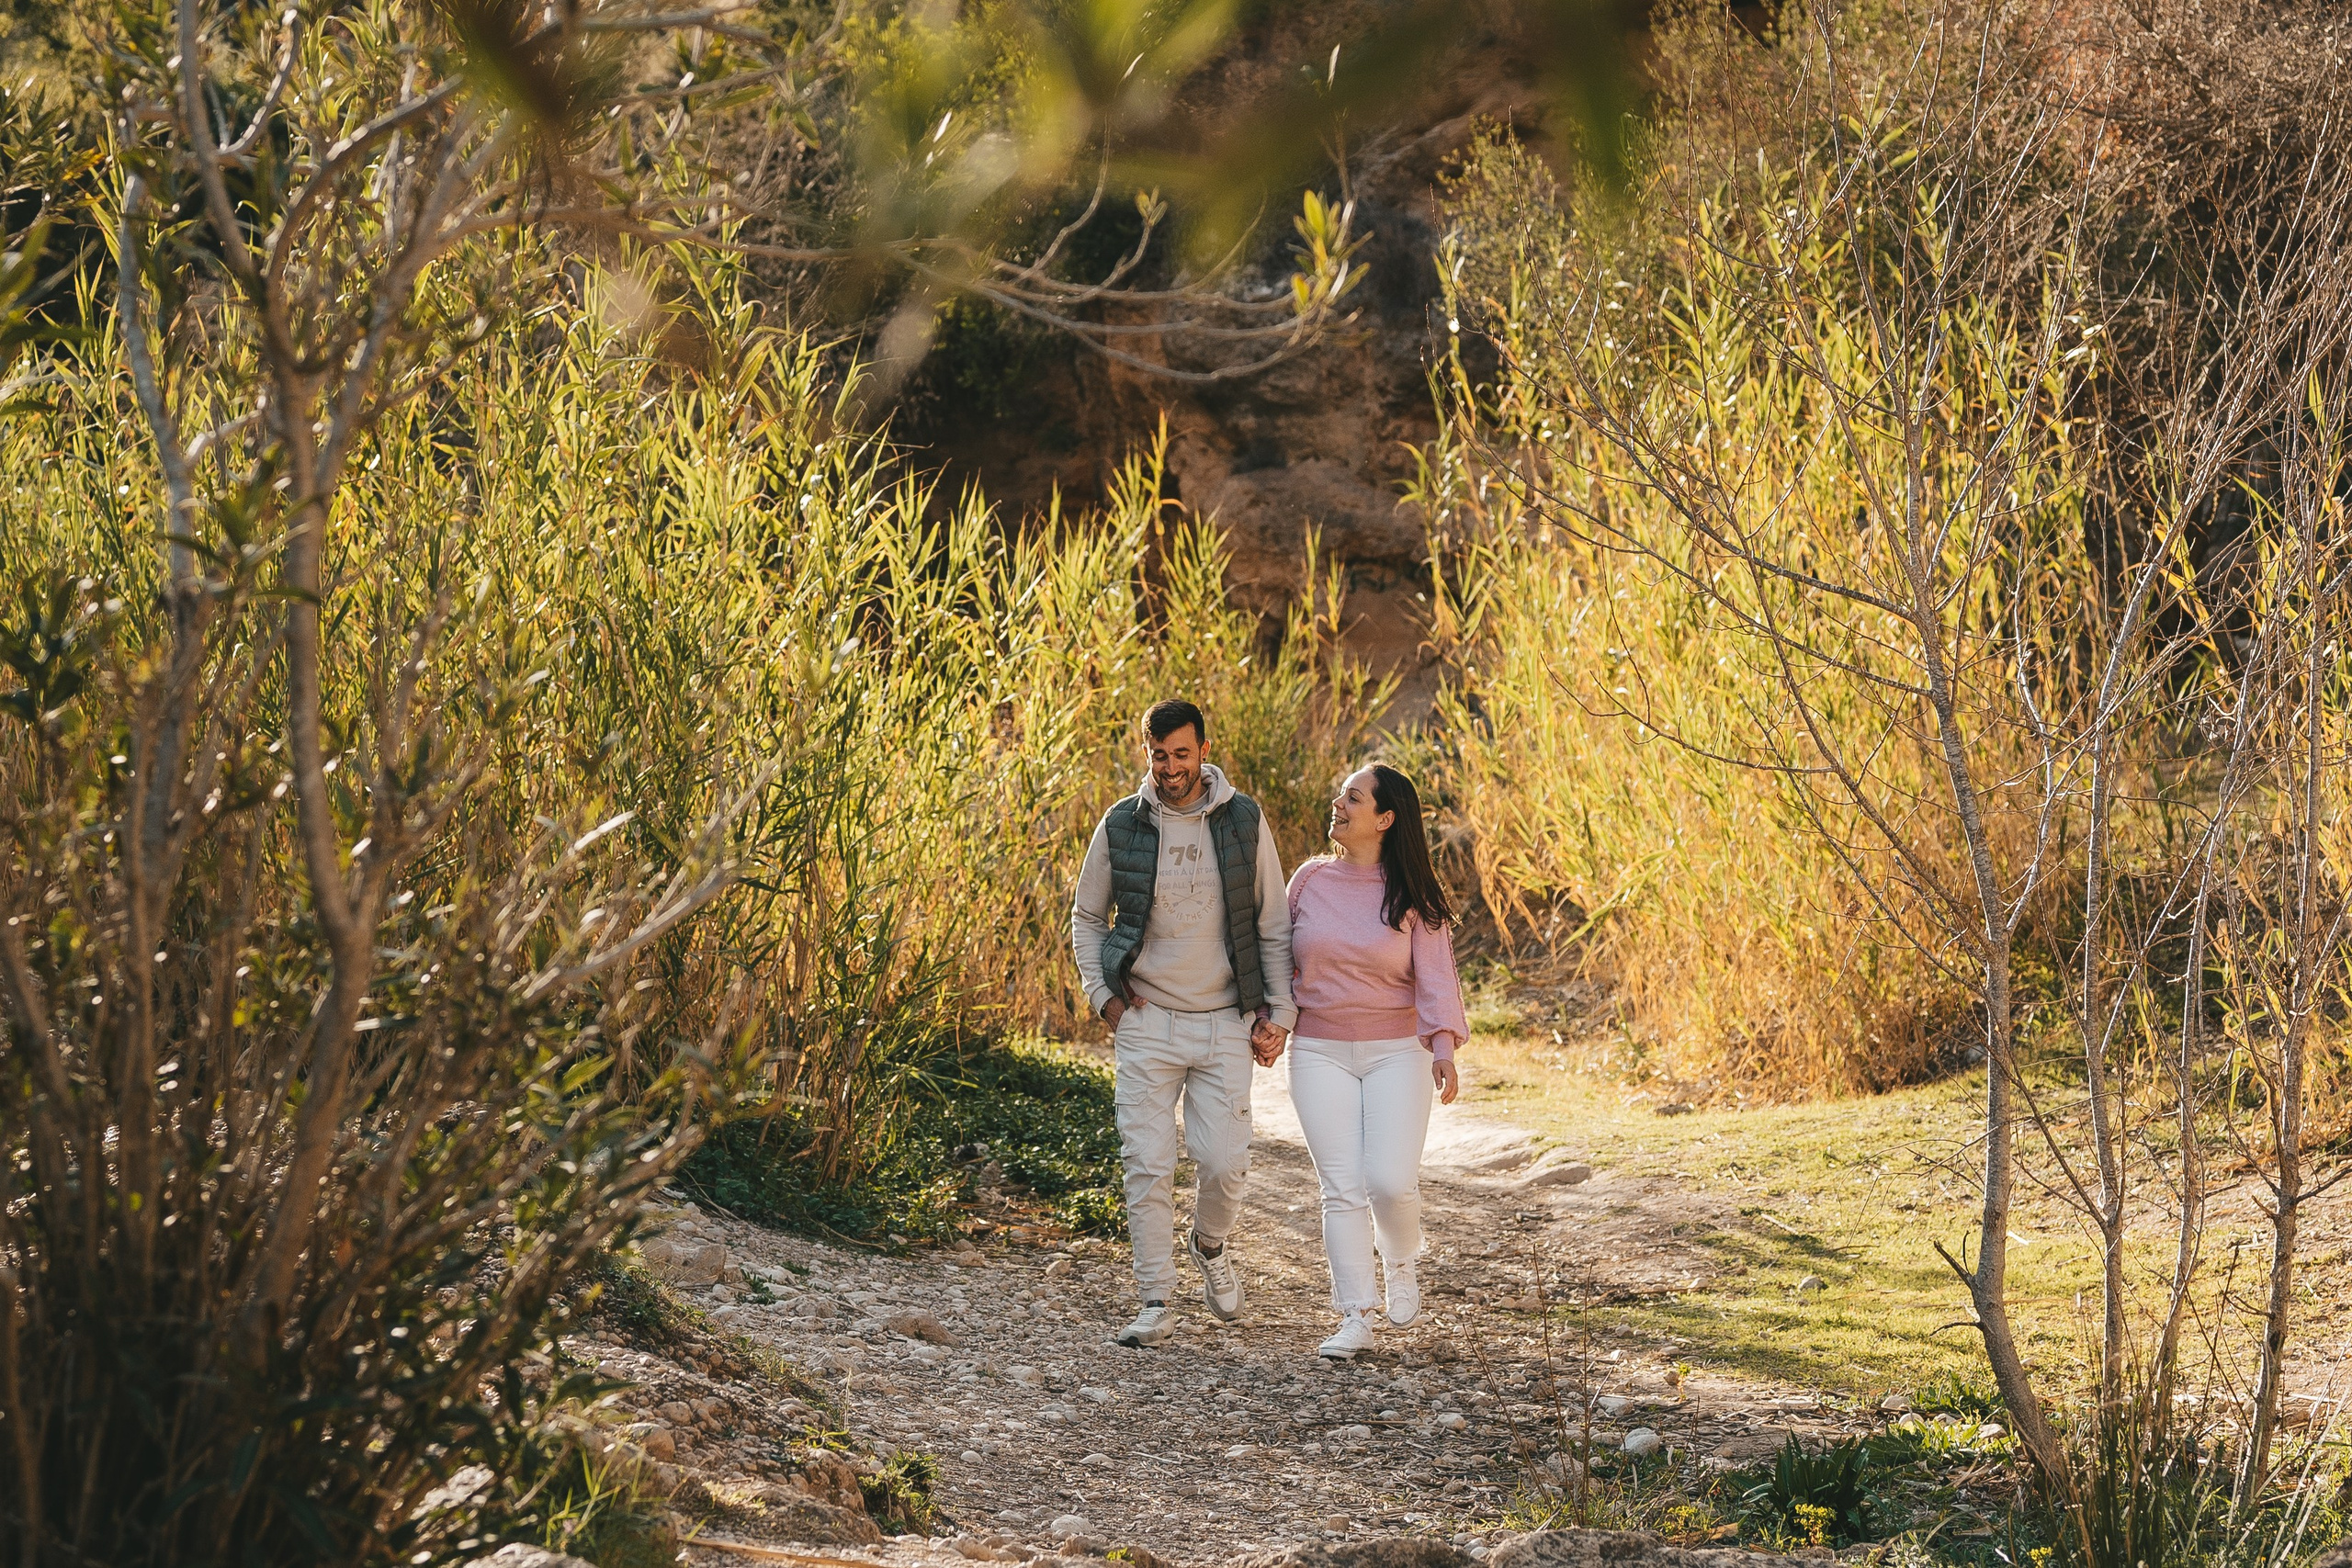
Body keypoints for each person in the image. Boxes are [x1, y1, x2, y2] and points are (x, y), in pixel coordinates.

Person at [1071, 699, 1295, 1348]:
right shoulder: (1122, 822)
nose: (1170, 767)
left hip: (1225, 1020)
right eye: (1158, 754)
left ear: (1203, 750)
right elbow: (1087, 917)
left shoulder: (1244, 819)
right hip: (1146, 1019)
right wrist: (1104, 997)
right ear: (1146, 751)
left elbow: (1272, 923)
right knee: (1146, 1163)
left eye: (1181, 754)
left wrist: (1279, 1013)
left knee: (1225, 1163)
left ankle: (1210, 1243)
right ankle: (1155, 1299)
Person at [1285, 762, 1469, 1360]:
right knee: (1341, 1188)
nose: (1338, 804)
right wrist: (1267, 1020)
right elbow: (1279, 961)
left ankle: (1401, 1257)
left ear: (1385, 818)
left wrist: (1443, 1046)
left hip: (1397, 1052)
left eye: (1353, 798)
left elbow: (1436, 977)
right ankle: (1355, 1315)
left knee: (1389, 1182)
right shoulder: (1308, 881)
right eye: (1341, 794)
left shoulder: (1411, 892)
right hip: (1318, 1050)